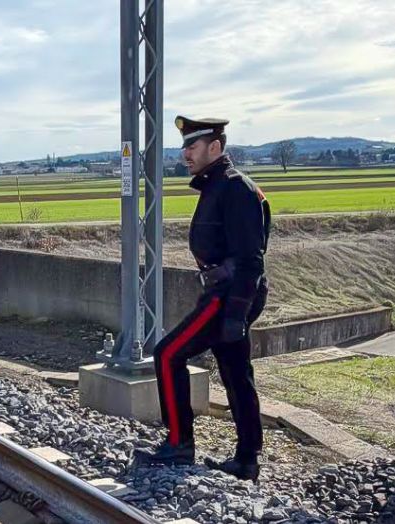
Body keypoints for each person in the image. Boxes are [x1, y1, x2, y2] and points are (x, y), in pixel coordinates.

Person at [133, 116, 271, 481]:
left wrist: (235, 316)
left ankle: (179, 444)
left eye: (191, 147)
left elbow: (250, 259)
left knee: (167, 354)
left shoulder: (235, 188)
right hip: (223, 293)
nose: (184, 155)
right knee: (235, 373)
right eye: (184, 147)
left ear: (215, 147)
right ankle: (246, 459)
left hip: (229, 296)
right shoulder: (217, 186)